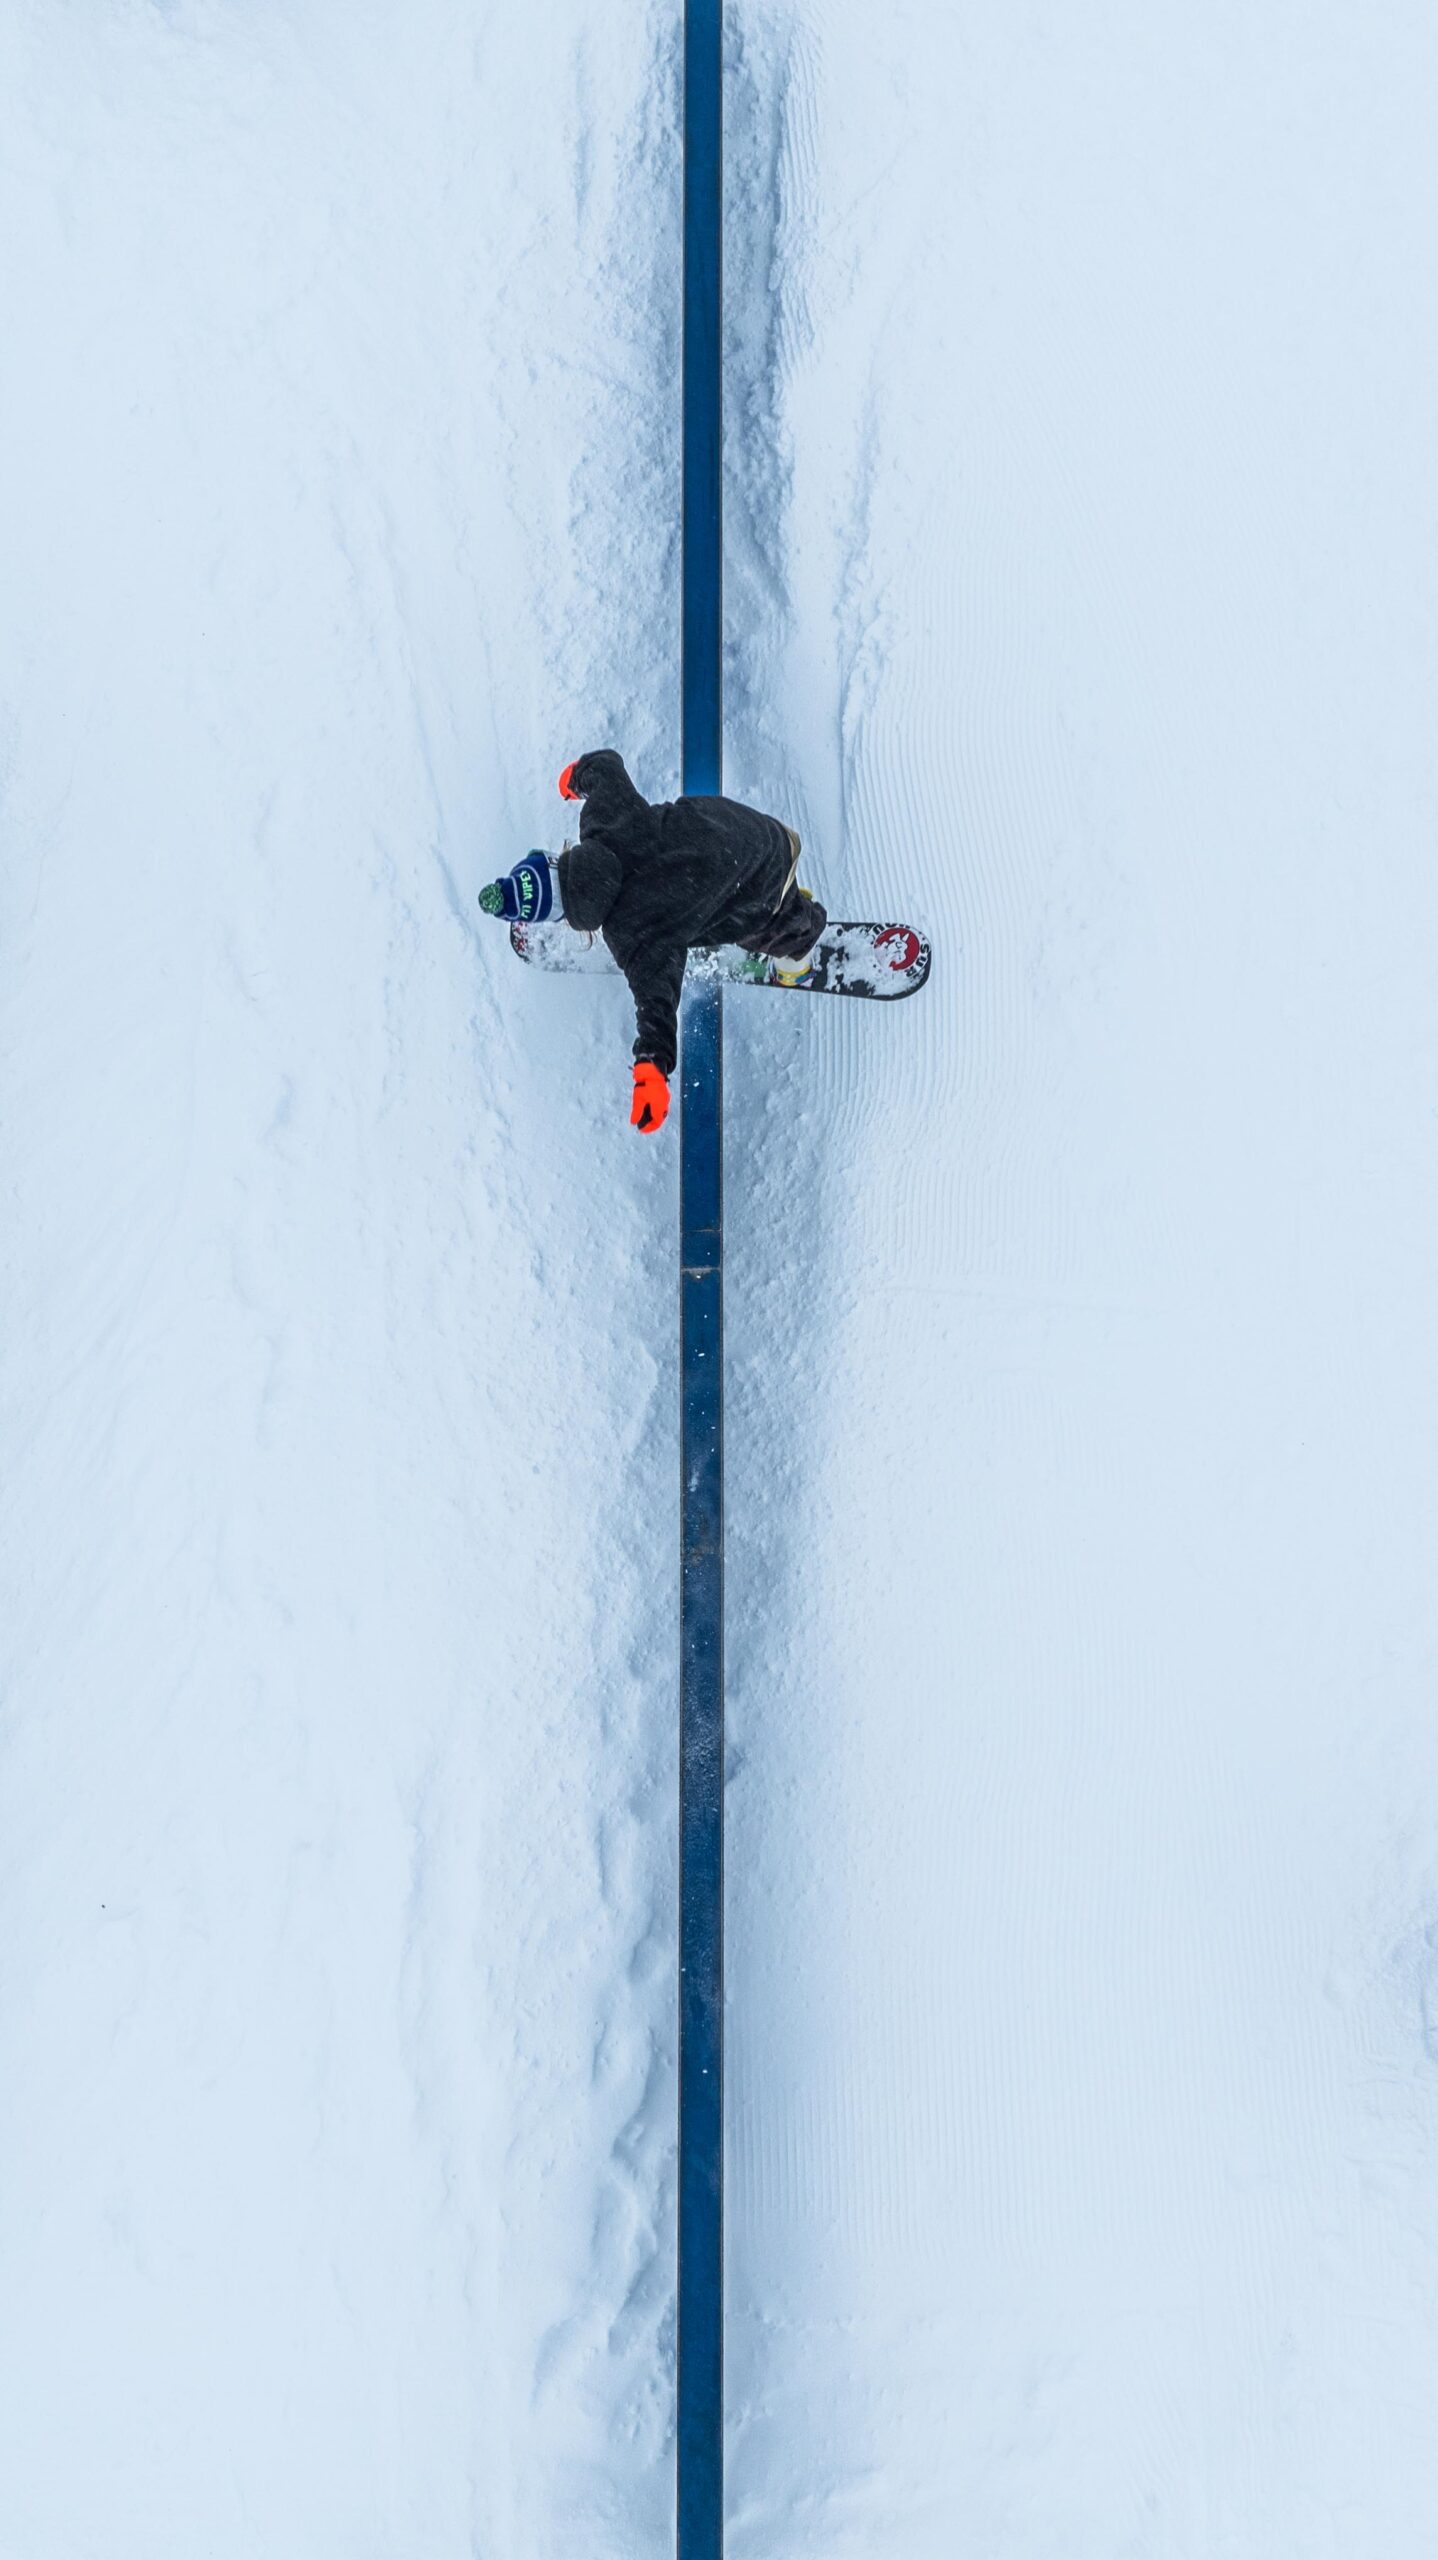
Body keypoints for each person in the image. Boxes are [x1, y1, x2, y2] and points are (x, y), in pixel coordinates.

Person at [479, 750, 827, 1132]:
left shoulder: (634, 935)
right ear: (557, 859)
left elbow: (656, 1004)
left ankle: (800, 934)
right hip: (743, 826)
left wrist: (651, 1067)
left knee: (769, 928)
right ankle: (778, 887)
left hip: (762, 876)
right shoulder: (605, 821)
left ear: (565, 916)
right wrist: (577, 777)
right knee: (701, 870)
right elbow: (606, 766)